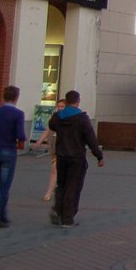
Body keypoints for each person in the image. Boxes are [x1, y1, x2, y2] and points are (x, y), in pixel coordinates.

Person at [49, 90, 104, 227]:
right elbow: (90, 139)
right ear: (78, 101)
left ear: (66, 102)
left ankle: (58, 210)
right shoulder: (82, 118)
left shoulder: (58, 116)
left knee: (61, 185)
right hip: (77, 157)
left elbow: (51, 125)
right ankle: (67, 218)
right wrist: (99, 156)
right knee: (73, 187)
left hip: (61, 155)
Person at [0, 85, 26, 229]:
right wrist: (20, 143)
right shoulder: (18, 114)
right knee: (4, 186)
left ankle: (2, 214)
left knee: (2, 184)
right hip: (9, 150)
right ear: (16, 97)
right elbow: (20, 135)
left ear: (4, 96)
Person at [32, 99, 68, 197]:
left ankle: (49, 191)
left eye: (62, 106)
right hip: (54, 146)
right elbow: (48, 130)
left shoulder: (70, 118)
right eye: (59, 106)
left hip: (64, 147)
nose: (60, 108)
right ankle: (54, 189)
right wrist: (39, 142)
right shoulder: (55, 117)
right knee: (55, 169)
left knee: (54, 169)